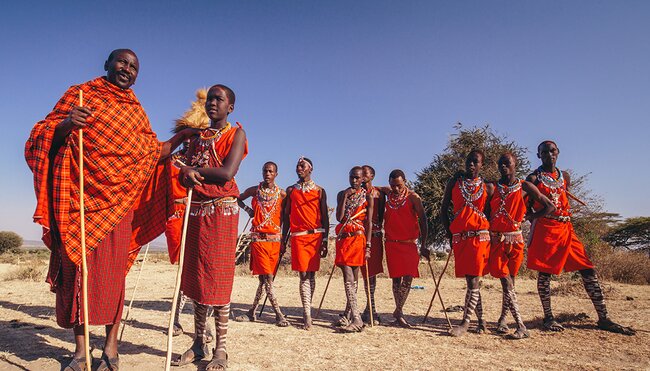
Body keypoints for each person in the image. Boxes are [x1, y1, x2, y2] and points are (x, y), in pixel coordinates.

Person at [25, 49, 195, 371]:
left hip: (118, 207)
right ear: (107, 64)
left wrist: (183, 136)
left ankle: (111, 351)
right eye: (122, 62)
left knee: (114, 278)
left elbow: (151, 151)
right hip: (79, 204)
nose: (127, 69)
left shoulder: (135, 112)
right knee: (77, 276)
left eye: (133, 67)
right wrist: (65, 124)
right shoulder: (80, 95)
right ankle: (80, 352)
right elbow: (39, 136)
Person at [172, 84, 249, 370]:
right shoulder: (197, 138)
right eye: (211, 99)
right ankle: (197, 342)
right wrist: (184, 172)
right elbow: (184, 177)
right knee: (196, 279)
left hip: (222, 212)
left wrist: (192, 171)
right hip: (196, 212)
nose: (213, 103)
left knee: (217, 280)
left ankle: (221, 349)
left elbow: (227, 172)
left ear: (230, 107)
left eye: (220, 99)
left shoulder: (236, 134)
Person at [526, 141, 635, 335]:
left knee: (588, 269)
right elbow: (525, 208)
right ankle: (548, 317)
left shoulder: (564, 176)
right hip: (547, 229)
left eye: (552, 151)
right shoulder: (533, 179)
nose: (549, 155)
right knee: (545, 274)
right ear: (538, 155)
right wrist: (538, 218)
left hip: (567, 228)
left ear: (558, 152)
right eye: (544, 152)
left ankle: (603, 318)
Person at [487, 153, 555, 339]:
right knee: (505, 281)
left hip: (516, 240)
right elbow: (485, 212)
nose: (503, 167)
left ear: (515, 164)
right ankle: (520, 324)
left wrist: (531, 217)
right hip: (497, 240)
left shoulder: (524, 186)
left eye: (507, 164)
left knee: (511, 282)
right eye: (500, 164)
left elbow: (549, 206)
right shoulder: (492, 187)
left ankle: (503, 319)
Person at [165, 88, 215, 341]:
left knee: (199, 268)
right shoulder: (171, 162)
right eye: (188, 137)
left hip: (198, 216)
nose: (190, 142)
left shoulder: (204, 162)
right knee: (184, 269)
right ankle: (175, 317)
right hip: (176, 216)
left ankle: (201, 323)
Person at [441, 150, 494, 337]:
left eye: (475, 162)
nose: (471, 165)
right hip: (461, 238)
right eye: (468, 161)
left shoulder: (488, 187)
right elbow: (443, 208)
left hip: (480, 237)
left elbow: (490, 213)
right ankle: (481, 321)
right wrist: (450, 232)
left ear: (482, 165)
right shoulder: (454, 183)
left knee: (473, 279)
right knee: (472, 279)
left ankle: (465, 323)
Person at [235, 161, 289, 327]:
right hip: (258, 239)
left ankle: (252, 312)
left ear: (276, 174)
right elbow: (237, 198)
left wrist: (283, 241)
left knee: (263, 279)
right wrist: (248, 210)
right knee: (268, 278)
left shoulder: (282, 194)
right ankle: (279, 314)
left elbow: (286, 217)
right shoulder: (254, 190)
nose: (267, 173)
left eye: (271, 171)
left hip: (275, 241)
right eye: (265, 171)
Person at [282, 157, 330, 330]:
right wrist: (283, 238)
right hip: (298, 236)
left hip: (316, 236)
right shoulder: (291, 190)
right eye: (297, 166)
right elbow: (286, 217)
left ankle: (307, 306)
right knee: (303, 275)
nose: (298, 168)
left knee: (311, 274)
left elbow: (325, 217)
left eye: (302, 166)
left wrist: (325, 240)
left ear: (311, 169)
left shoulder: (320, 191)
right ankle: (307, 314)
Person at [383, 169, 429, 328]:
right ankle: (399, 313)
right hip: (391, 243)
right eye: (393, 185)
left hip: (409, 244)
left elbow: (423, 221)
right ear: (389, 183)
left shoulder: (413, 198)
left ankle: (398, 310)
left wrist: (424, 245)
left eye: (399, 185)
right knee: (396, 279)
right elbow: (374, 188)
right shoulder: (388, 194)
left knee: (408, 278)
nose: (396, 189)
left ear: (405, 182)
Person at [333, 166, 374, 332]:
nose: (354, 181)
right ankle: (353, 316)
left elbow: (369, 223)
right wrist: (344, 196)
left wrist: (369, 246)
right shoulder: (342, 194)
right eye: (352, 177)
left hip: (358, 239)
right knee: (349, 277)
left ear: (363, 178)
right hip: (343, 239)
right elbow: (339, 217)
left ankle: (354, 316)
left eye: (357, 178)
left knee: (352, 278)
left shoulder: (368, 197)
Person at [360, 165, 384, 325]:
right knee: (357, 273)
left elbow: (381, 215)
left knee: (372, 275)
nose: (362, 176)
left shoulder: (379, 194)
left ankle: (371, 308)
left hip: (374, 237)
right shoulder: (356, 193)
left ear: (372, 175)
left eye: (365, 173)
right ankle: (354, 309)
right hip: (359, 237)